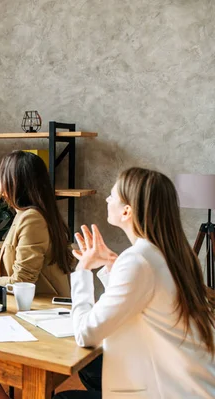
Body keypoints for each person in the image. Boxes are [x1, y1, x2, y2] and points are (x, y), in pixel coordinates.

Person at [55, 167, 215, 399]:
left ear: (127, 211)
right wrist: (111, 262)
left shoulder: (138, 260)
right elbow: (138, 307)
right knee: (91, 369)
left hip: (171, 390)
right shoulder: (174, 254)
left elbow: (85, 333)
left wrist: (82, 270)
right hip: (195, 385)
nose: (107, 199)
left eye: (112, 195)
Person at [0, 150, 74, 399]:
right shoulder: (29, 213)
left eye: (0, 173)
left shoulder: (33, 218)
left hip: (41, 313)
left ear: (14, 180)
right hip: (31, 308)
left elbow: (23, 281)